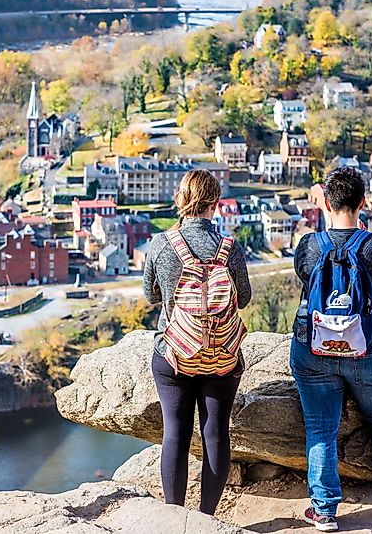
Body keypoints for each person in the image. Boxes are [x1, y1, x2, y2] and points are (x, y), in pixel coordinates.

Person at [291, 167, 372, 532]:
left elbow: (304, 276)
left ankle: (324, 510)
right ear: (363, 202)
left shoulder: (309, 245)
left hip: (313, 350)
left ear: (325, 203)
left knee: (319, 428)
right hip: (368, 351)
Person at [142, 169, 252, 515]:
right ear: (214, 205)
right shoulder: (230, 248)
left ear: (180, 199)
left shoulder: (161, 244)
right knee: (215, 433)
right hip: (221, 355)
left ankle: (175, 516)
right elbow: (244, 298)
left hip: (174, 352)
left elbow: (150, 295)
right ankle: (206, 518)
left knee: (175, 431)